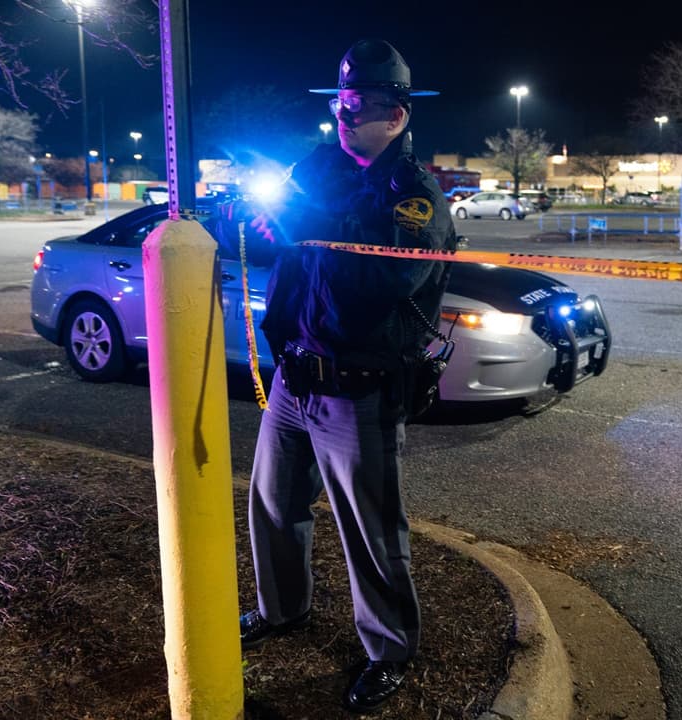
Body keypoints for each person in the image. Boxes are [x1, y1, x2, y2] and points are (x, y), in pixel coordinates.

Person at [239, 39, 455, 715]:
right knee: (272, 506)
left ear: (395, 114)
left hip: (358, 386)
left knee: (371, 529)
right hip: (294, 377)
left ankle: (389, 648)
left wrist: (308, 225)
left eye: (357, 105)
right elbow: (285, 243)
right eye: (339, 101)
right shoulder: (319, 168)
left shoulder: (415, 195)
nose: (343, 113)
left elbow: (378, 284)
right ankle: (281, 610)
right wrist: (258, 222)